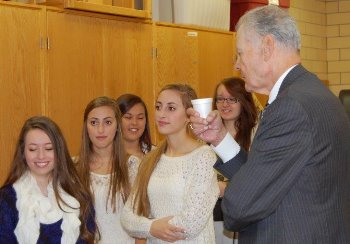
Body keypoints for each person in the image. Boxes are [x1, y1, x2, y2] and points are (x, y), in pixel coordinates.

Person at [188, 5, 350, 244]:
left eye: (240, 53)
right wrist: (221, 139)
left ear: (267, 47)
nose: (236, 65)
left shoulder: (290, 107)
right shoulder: (314, 94)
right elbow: (264, 177)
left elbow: (238, 207)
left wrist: (221, 192)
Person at [121, 83, 219, 243]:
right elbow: (127, 217)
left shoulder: (203, 156)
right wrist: (152, 227)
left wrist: (149, 227)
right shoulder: (150, 159)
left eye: (171, 108)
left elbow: (191, 224)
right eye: (158, 107)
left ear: (189, 115)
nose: (161, 114)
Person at [0, 116, 96, 243]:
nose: (41, 156)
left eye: (49, 148)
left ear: (59, 151)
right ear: (23, 152)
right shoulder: (7, 199)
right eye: (33, 149)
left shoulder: (78, 194)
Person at [75, 96, 141, 244]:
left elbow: (141, 224)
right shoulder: (74, 169)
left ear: (117, 126)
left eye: (108, 122)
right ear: (86, 126)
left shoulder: (132, 166)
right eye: (94, 122)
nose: (100, 129)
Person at [213, 77, 258, 244]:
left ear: (244, 101)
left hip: (243, 217)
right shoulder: (205, 136)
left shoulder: (257, 134)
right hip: (211, 217)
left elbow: (258, 177)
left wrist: (228, 188)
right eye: (220, 99)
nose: (225, 104)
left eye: (232, 99)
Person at [116, 93, 153, 161]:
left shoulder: (156, 154)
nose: (134, 123)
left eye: (140, 118)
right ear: (116, 120)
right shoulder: (106, 156)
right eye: (128, 117)